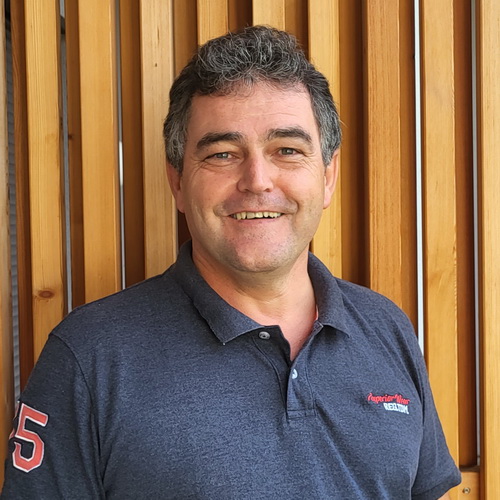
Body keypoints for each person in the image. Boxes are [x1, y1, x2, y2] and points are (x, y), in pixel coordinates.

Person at [2, 26, 460, 499]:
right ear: (178, 182)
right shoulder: (89, 357)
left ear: (327, 176)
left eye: (287, 150)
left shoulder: (386, 327)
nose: (257, 180)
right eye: (222, 154)